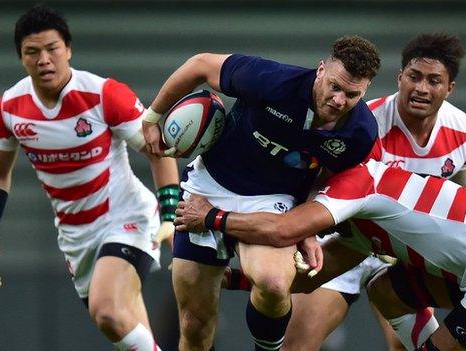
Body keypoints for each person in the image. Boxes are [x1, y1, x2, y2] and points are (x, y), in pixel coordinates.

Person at [281, 32, 466, 351]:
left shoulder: (464, 130)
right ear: (400, 77)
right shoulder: (366, 124)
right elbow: (330, 187)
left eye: (434, 80)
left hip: (407, 253)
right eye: (414, 77)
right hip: (349, 243)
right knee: (295, 345)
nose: (422, 88)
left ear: (449, 88)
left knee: (406, 345)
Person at [141, 37, 381, 350]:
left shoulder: (360, 132)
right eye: (334, 86)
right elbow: (199, 64)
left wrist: (308, 229)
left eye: (352, 94)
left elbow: (328, 177)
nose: (338, 100)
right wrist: (152, 116)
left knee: (274, 283)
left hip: (273, 202)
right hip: (209, 186)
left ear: (364, 91)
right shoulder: (271, 81)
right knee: (193, 325)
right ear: (321, 70)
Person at [175, 157, 466, 351]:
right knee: (385, 290)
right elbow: (314, 278)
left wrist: (212, 216)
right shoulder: (357, 224)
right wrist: (237, 279)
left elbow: (283, 229)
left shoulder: (356, 185)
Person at [0, 5, 179, 350]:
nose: (44, 60)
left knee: (107, 311)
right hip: (75, 238)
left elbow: (157, 152)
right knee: (124, 326)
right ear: (21, 58)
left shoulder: (104, 95)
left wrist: (170, 212)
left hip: (126, 216)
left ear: (68, 50)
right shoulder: (10, 109)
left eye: (52, 49)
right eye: (32, 52)